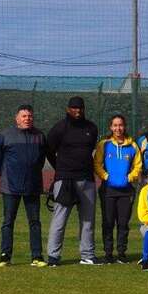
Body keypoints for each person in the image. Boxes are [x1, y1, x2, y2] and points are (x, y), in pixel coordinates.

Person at [46, 96, 100, 266]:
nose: (78, 111)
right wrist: (60, 169)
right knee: (59, 219)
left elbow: (90, 150)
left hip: (87, 180)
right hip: (65, 180)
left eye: (80, 108)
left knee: (88, 220)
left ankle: (87, 255)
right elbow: (49, 151)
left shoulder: (91, 128)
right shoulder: (59, 128)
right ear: (68, 109)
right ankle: (53, 256)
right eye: (74, 108)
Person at [0, 104, 47, 268]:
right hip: (10, 187)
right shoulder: (5, 136)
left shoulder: (39, 136)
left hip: (33, 186)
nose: (27, 119)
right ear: (17, 118)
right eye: (24, 116)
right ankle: (5, 256)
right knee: (8, 221)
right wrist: (8, 176)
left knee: (35, 222)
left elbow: (41, 160)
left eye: (30, 116)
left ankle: (37, 256)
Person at [94, 114, 142, 264]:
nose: (118, 128)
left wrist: (129, 178)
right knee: (108, 222)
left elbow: (138, 166)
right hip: (108, 190)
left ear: (125, 126)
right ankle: (108, 254)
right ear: (110, 127)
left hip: (126, 191)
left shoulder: (132, 145)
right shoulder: (104, 144)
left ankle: (121, 253)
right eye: (115, 125)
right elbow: (97, 164)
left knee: (123, 223)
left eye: (120, 125)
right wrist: (107, 177)